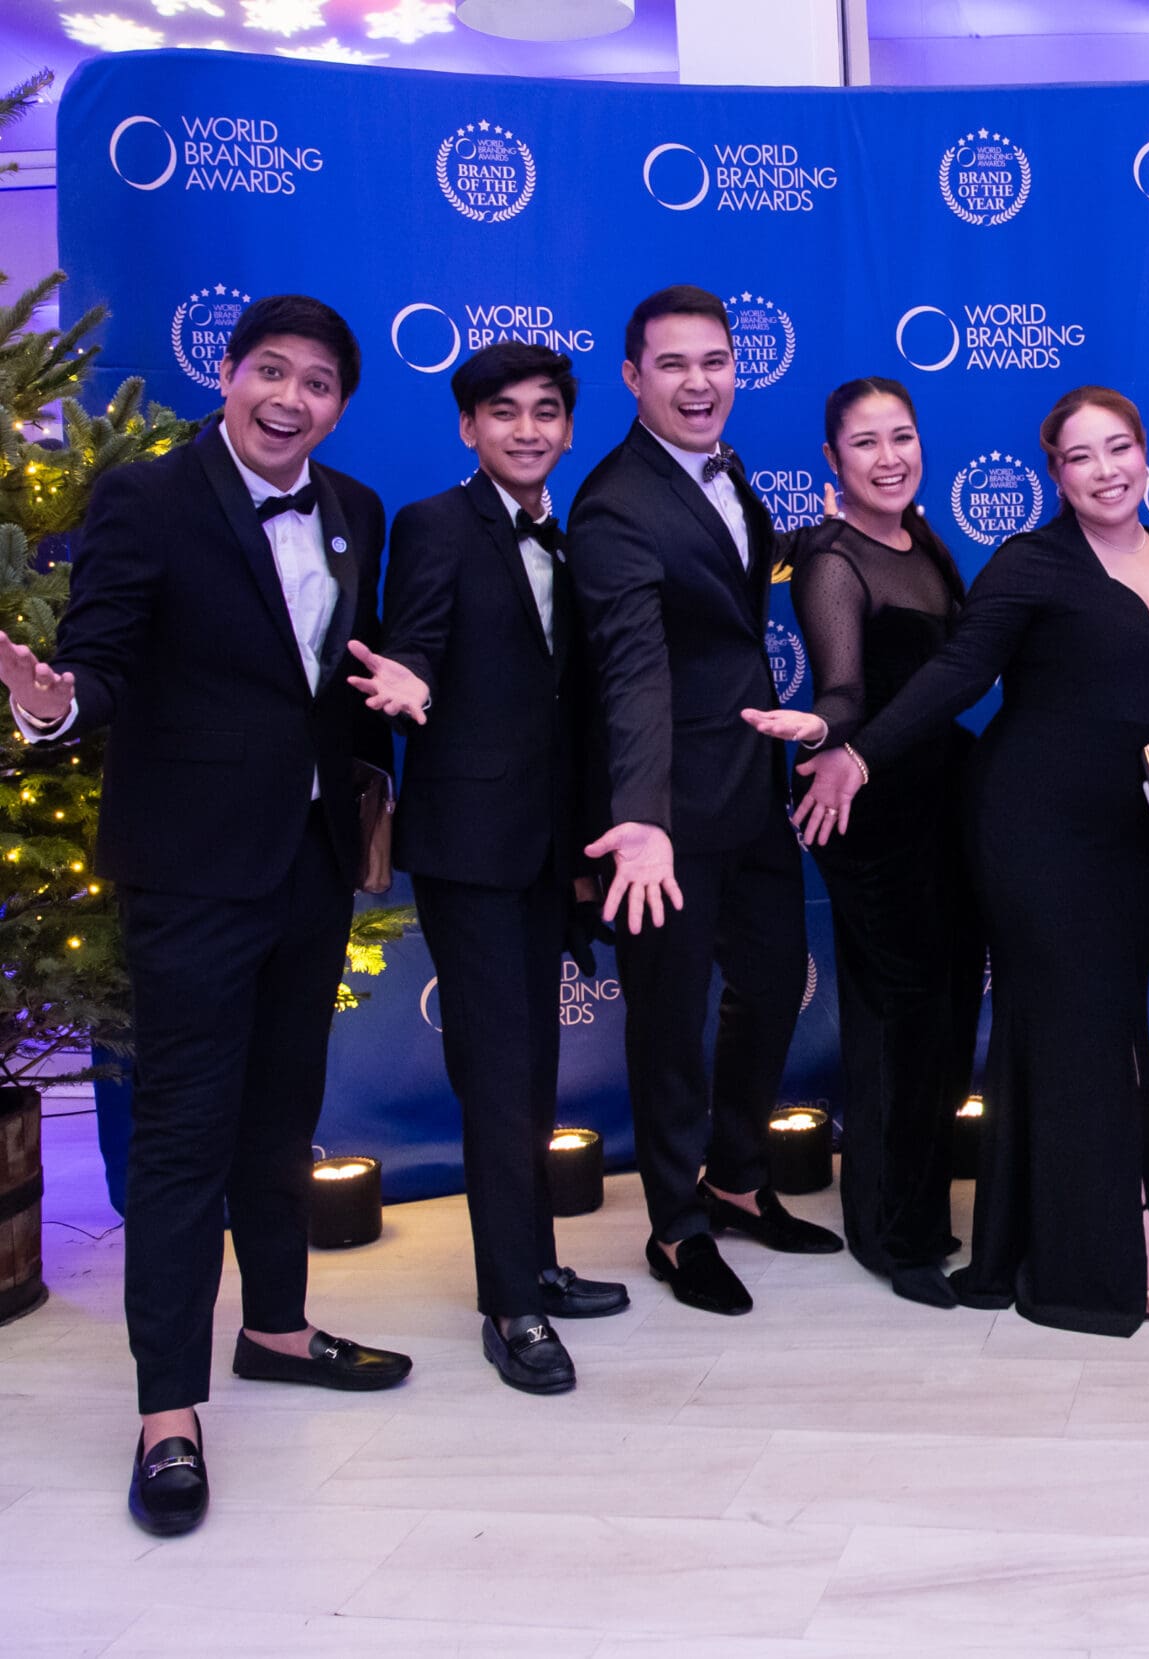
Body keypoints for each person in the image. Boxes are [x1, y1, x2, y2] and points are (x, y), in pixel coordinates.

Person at [0, 295, 423, 1536]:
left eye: (318, 383)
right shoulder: (147, 496)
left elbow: (340, 668)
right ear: (229, 375)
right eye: (270, 372)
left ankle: (277, 1330)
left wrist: (406, 684)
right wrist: (50, 704)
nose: (291, 399)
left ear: (340, 405)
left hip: (309, 859)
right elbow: (102, 664)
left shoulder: (354, 510)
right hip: (190, 869)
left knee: (283, 1112)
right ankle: (167, 1412)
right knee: (184, 1137)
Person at [803, 387, 1149, 1335]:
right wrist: (859, 754)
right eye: (1080, 457)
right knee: (1079, 1018)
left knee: (1106, 1016)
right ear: (1055, 474)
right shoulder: (1031, 560)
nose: (1105, 471)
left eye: (1119, 448)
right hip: (1029, 827)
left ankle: (1043, 1217)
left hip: (1138, 834)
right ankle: (1120, 1231)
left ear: (1146, 453)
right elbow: (956, 672)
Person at [570, 284, 840, 1319]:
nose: (698, 382)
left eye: (715, 361)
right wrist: (642, 818)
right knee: (670, 1021)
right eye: (673, 364)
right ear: (632, 377)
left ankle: (733, 1179)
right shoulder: (614, 504)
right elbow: (633, 670)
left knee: (770, 986)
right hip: (665, 816)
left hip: (751, 790)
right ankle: (675, 1226)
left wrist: (816, 542)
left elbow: (723, 605)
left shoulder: (724, 472)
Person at [376, 342, 630, 1395]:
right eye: (503, 412)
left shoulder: (564, 540)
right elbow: (414, 642)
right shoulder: (436, 523)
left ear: (568, 429)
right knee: (494, 1074)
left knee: (531, 1070)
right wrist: (410, 686)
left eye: (545, 412)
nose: (527, 429)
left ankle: (535, 1262)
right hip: (470, 849)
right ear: (467, 427)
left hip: (543, 849)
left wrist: (578, 855)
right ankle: (509, 1305)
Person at [737, 377, 983, 1309]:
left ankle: (915, 1204)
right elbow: (843, 688)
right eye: (866, 443)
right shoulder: (834, 561)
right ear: (831, 461)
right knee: (901, 1026)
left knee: (946, 1019)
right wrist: (824, 731)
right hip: (870, 815)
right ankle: (894, 1234)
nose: (889, 458)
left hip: (946, 807)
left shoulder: (925, 542)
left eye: (902, 437)